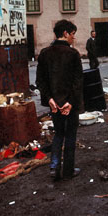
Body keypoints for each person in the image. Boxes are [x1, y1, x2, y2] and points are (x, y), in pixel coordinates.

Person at [36, 19, 84, 181]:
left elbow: (40, 81)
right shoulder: (73, 54)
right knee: (70, 135)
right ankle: (68, 170)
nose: (73, 38)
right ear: (65, 33)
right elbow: (78, 82)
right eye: (72, 34)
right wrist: (70, 102)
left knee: (58, 134)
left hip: (54, 105)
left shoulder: (44, 53)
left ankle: (54, 167)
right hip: (69, 104)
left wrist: (50, 100)